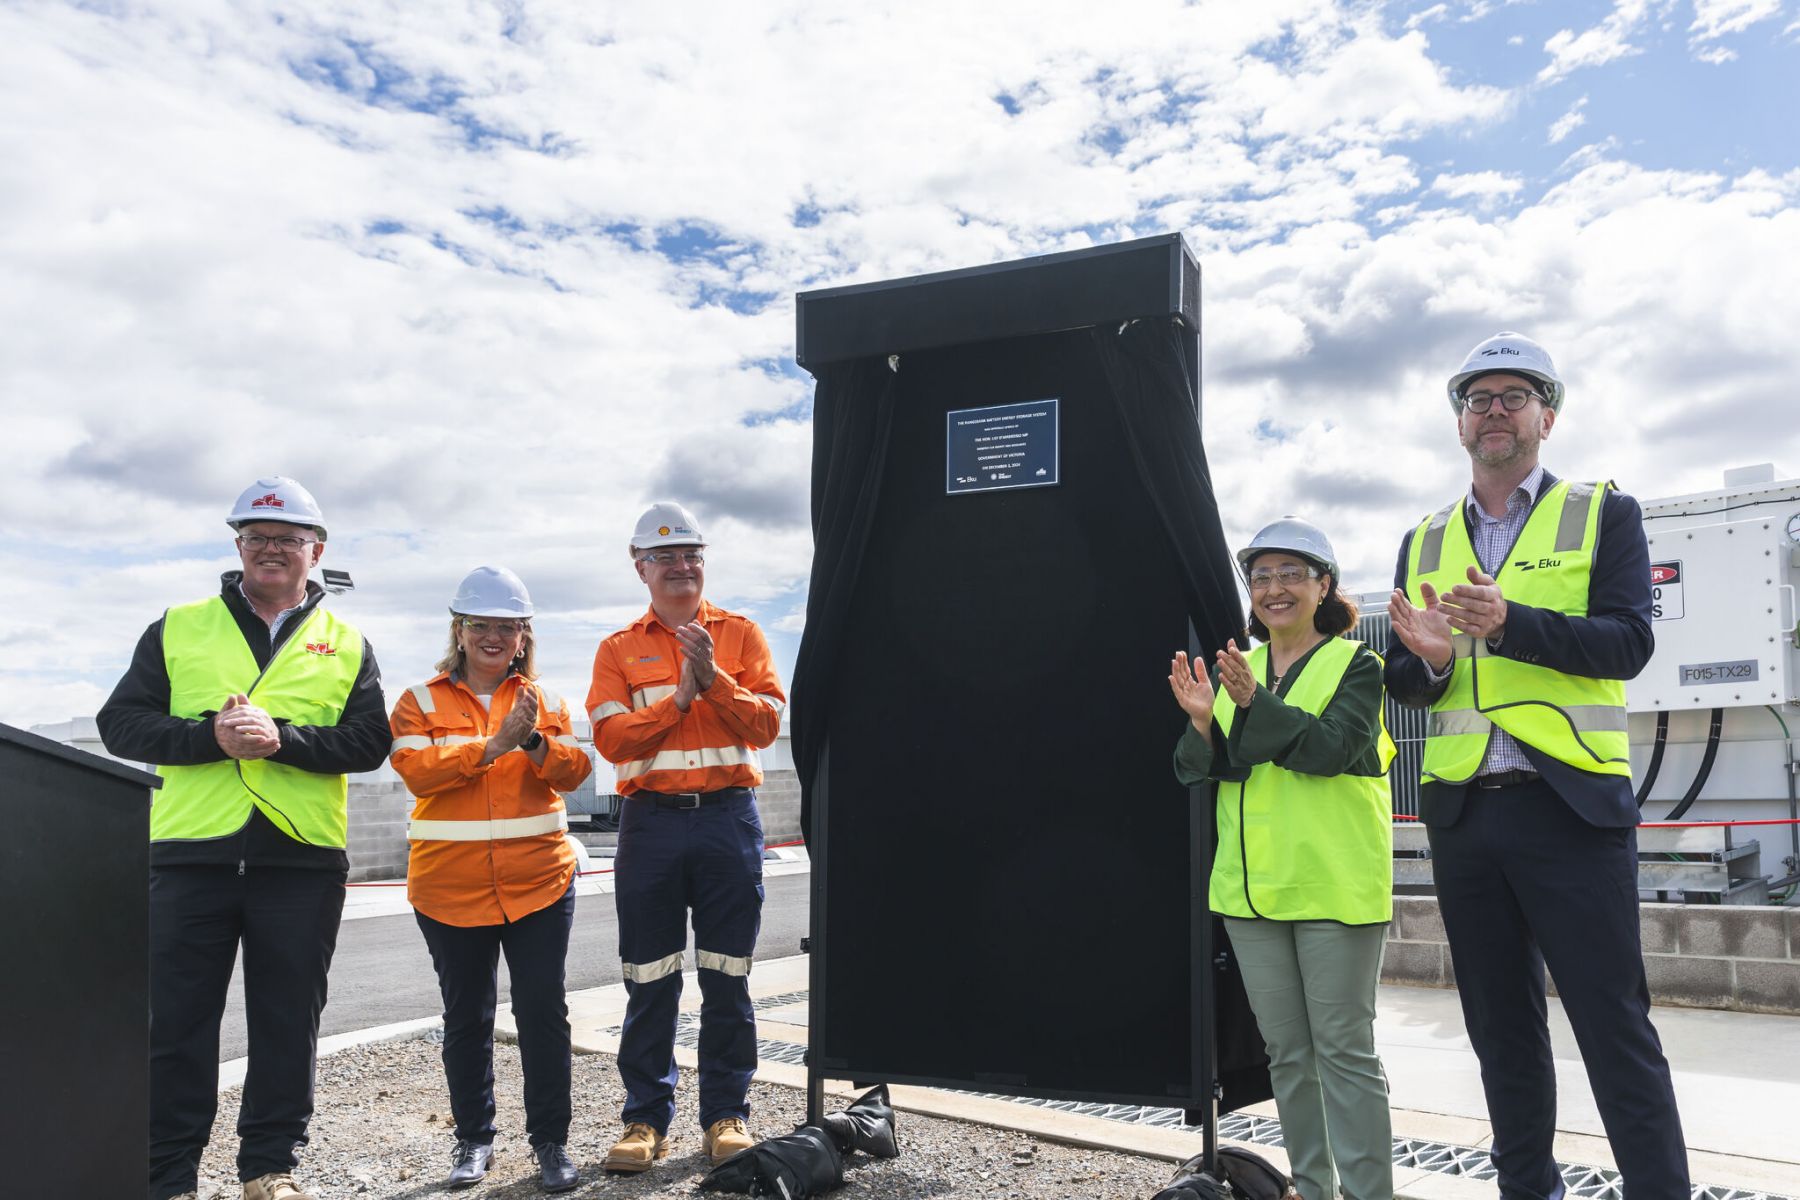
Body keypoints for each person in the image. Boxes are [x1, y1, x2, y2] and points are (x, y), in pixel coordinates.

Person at [1384, 332, 1687, 1200]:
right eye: (1478, 399)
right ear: (1459, 424)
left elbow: (1628, 643)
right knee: (1499, 1030)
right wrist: (1436, 659)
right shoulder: (1425, 537)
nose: (1494, 411)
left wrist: (1512, 622)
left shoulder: (1602, 514)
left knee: (1612, 1024)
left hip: (1569, 812)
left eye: (1514, 395)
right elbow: (1412, 677)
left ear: (1546, 417)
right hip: (1466, 815)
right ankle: (1527, 1189)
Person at [97, 476, 390, 1200]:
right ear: (238, 546)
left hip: (301, 861)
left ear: (314, 552)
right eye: (257, 538)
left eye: (287, 540)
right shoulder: (179, 625)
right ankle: (167, 1176)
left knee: (288, 1024)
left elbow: (369, 742)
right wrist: (210, 735)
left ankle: (268, 1169)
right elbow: (121, 724)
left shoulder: (346, 643)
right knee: (178, 1028)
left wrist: (281, 739)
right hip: (191, 857)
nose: (271, 550)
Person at [1169, 516, 1396, 1200]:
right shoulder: (1242, 667)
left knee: (1345, 1055)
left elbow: (1329, 751)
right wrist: (1205, 721)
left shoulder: (1359, 665)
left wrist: (1250, 703)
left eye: (1291, 574)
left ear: (1324, 586)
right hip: (1252, 893)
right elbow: (1201, 772)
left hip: (1333, 888)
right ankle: (1312, 1189)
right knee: (1288, 1057)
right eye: (1261, 576)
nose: (1274, 588)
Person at [584, 501, 787, 1173]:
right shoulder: (617, 650)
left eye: (691, 554)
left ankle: (726, 1115)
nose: (681, 566)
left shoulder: (742, 635)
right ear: (640, 568)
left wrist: (716, 680)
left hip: (730, 817)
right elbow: (612, 741)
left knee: (728, 977)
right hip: (653, 826)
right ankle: (645, 1121)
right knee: (651, 979)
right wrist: (676, 700)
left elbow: (764, 727)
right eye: (666, 557)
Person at [388, 566, 593, 1193]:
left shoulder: (547, 701)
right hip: (449, 892)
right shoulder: (417, 702)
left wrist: (527, 737)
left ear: (524, 635)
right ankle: (474, 1141)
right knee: (467, 1018)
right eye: (481, 625)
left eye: (508, 627)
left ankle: (550, 1143)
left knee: (542, 1014)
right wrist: (491, 745)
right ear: (460, 630)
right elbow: (418, 772)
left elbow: (576, 771)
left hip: (539, 885)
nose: (494, 637)